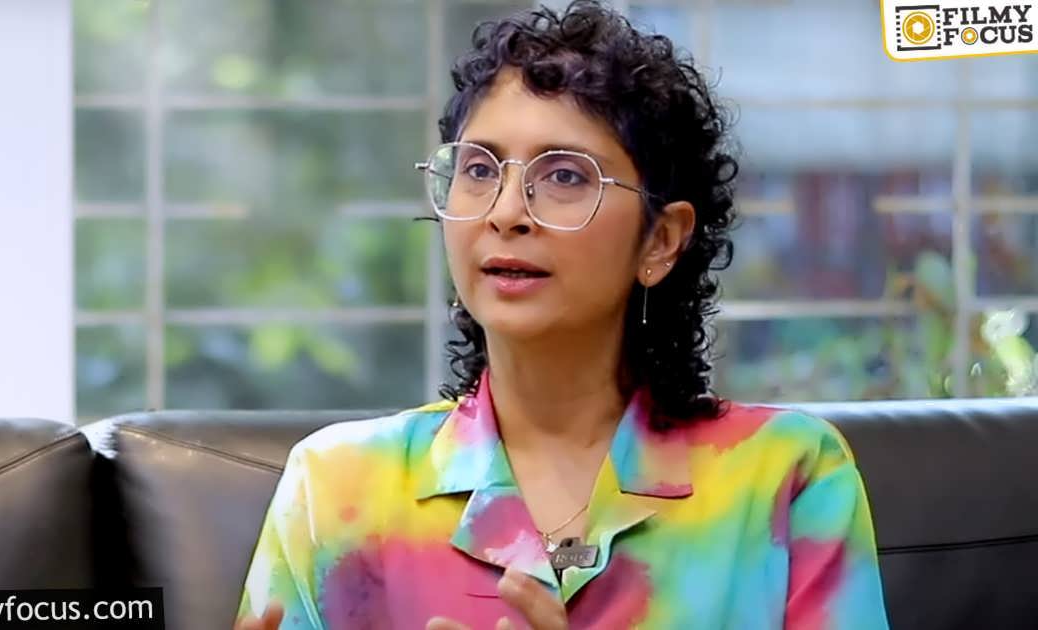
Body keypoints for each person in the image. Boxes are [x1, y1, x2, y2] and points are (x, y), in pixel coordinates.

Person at [235, 1, 889, 628]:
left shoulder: (785, 476)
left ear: (661, 240)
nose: (506, 212)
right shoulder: (336, 487)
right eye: (479, 169)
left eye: (566, 176)